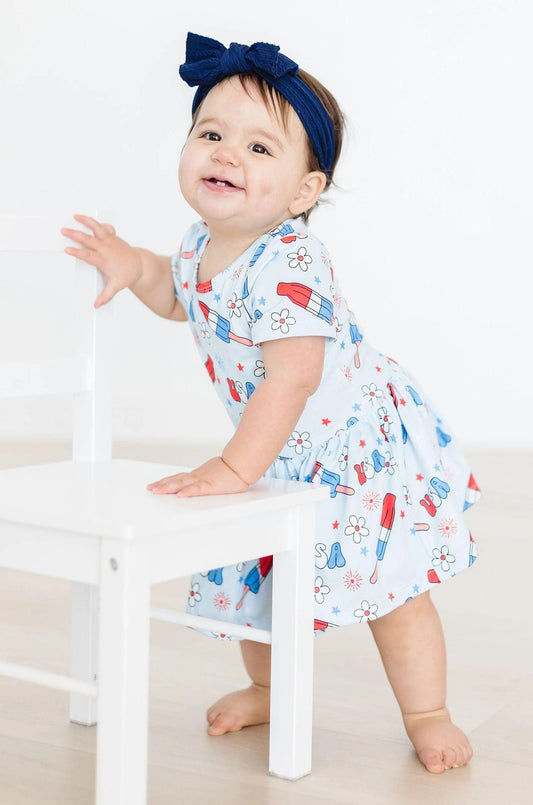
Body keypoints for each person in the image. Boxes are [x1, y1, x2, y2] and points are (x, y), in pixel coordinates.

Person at [61, 32, 481, 774]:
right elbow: (179, 295)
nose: (225, 154)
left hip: (353, 450)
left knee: (391, 589)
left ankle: (427, 709)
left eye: (259, 148)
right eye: (211, 134)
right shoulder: (197, 244)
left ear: (301, 193)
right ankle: (268, 687)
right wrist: (136, 267)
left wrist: (231, 466)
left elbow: (292, 376)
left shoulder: (291, 259)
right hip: (278, 447)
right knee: (265, 575)